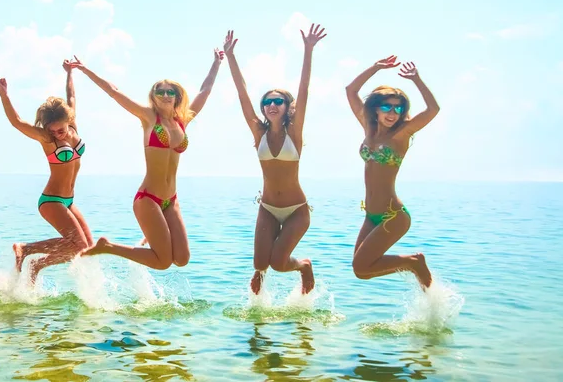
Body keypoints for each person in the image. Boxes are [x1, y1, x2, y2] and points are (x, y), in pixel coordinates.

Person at [74, 49, 223, 269]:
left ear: (177, 96)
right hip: (148, 198)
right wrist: (86, 70)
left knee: (182, 259)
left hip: (170, 200)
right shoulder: (148, 117)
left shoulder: (183, 120)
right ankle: (108, 246)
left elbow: (205, 90)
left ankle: (151, 235)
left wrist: (217, 62)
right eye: (159, 91)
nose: (164, 95)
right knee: (162, 262)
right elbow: (114, 92)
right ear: (153, 96)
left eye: (169, 92)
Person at [223, 24, 326, 295]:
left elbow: (304, 90)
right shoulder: (259, 133)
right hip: (267, 207)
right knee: (259, 264)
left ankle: (303, 266)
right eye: (268, 101)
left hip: (296, 210)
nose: (272, 105)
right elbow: (242, 92)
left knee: (279, 264)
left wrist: (308, 49)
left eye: (278, 101)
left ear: (286, 106)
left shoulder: (295, 133)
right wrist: (230, 57)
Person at [345, 55, 439, 288]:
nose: (392, 113)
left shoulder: (401, 134)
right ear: (375, 110)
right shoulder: (368, 129)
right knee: (362, 271)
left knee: (361, 266)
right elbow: (351, 90)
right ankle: (413, 265)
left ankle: (414, 263)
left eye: (398, 108)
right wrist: (375, 67)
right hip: (371, 215)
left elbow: (433, 109)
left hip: (393, 215)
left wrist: (416, 79)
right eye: (386, 106)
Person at [0, 59, 93, 283]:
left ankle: (37, 265)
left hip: (68, 200)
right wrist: (5, 96)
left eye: (61, 129)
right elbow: (17, 122)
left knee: (86, 248)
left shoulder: (73, 125)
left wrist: (70, 73)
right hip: (51, 201)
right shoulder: (47, 139)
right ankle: (26, 249)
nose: (58, 133)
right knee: (78, 245)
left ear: (68, 121)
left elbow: (72, 97)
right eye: (53, 130)